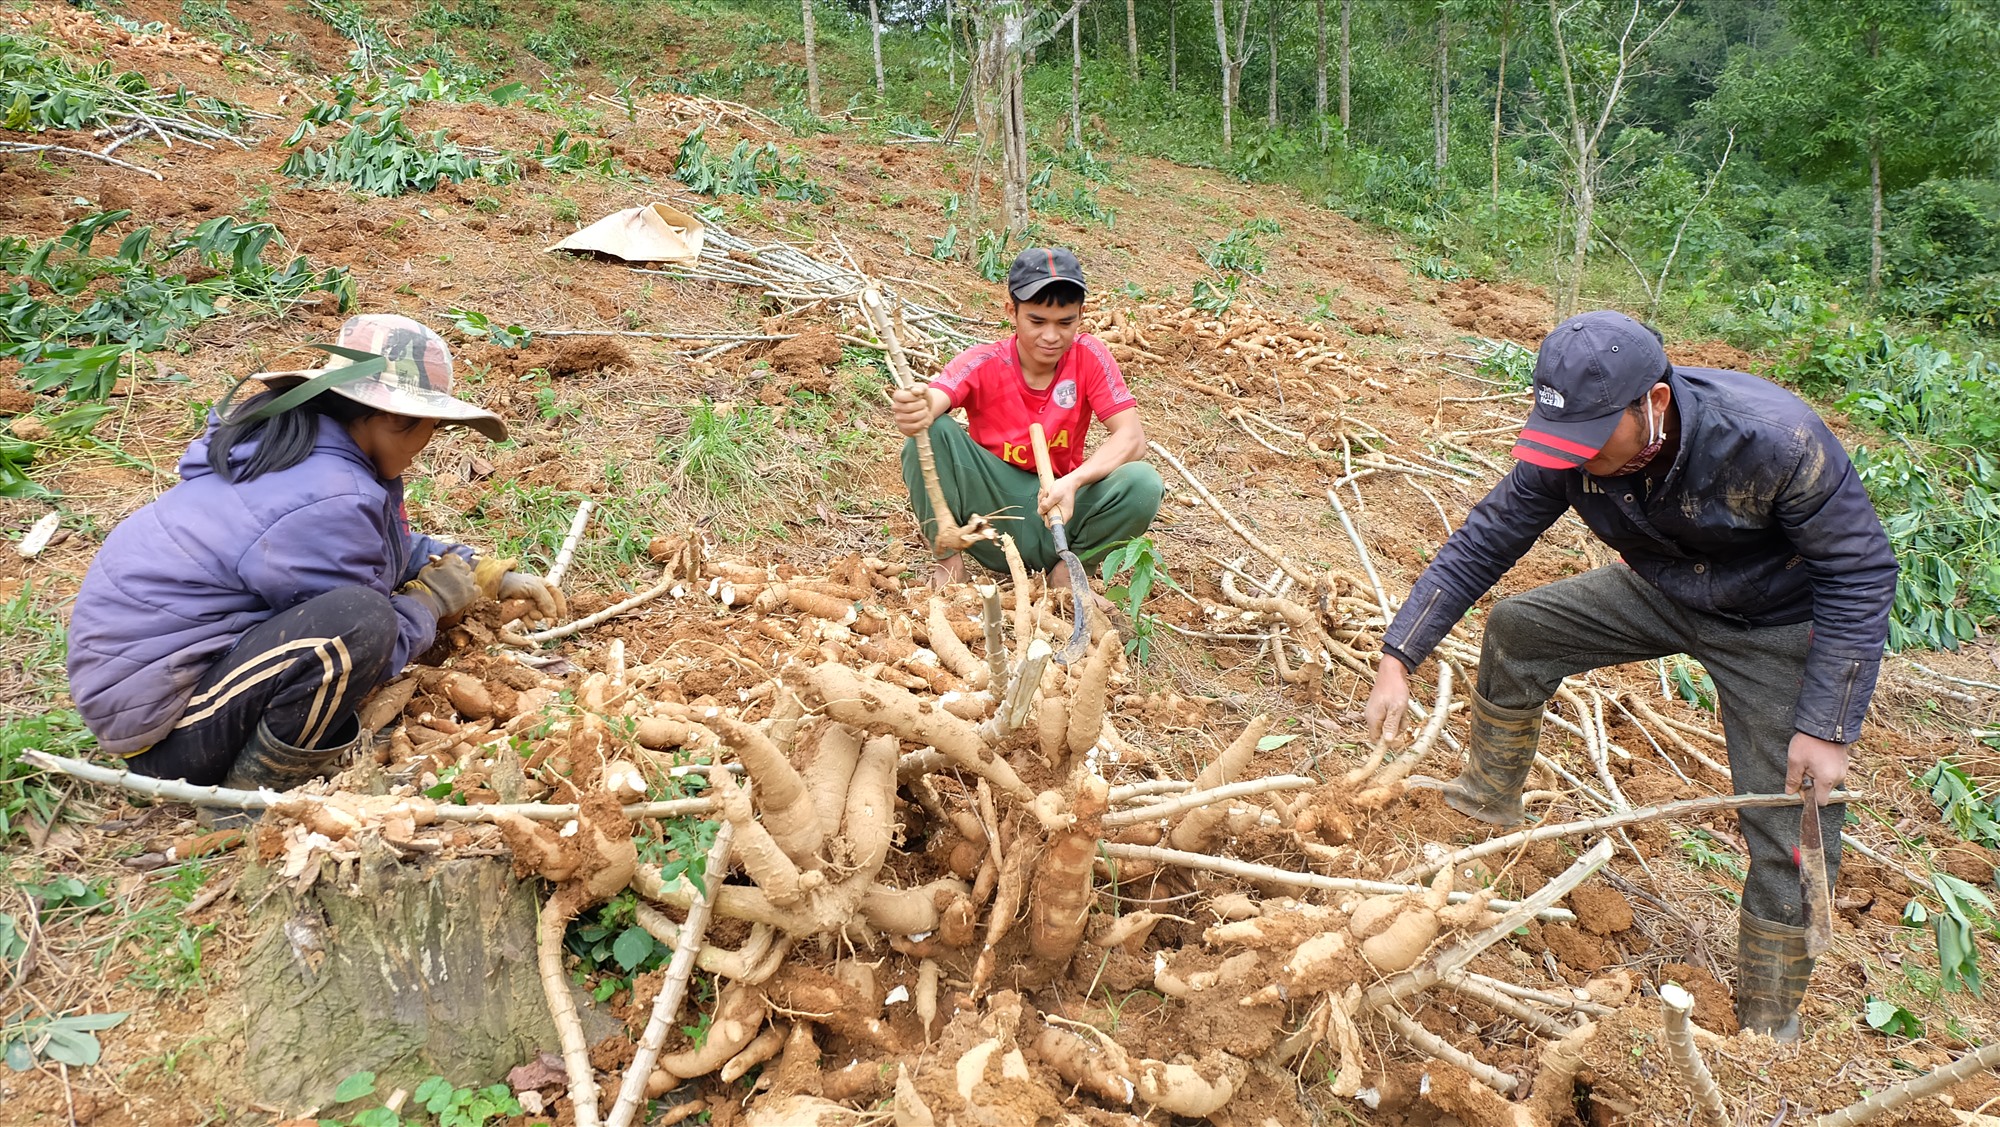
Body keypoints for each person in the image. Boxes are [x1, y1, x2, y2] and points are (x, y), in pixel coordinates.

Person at [1362, 309, 1896, 1040]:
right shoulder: (1568, 449)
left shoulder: (1776, 439)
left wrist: (1826, 726)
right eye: (1564, 441)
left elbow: (1860, 571)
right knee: (1521, 629)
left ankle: (1772, 1025)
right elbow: (1488, 535)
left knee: (1793, 813)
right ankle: (1485, 800)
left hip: (1776, 623)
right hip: (1665, 587)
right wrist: (1401, 655)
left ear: (1655, 405)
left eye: (1590, 439)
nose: (1575, 459)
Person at [67, 314, 564, 807]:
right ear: (391, 417)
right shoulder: (330, 495)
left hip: (158, 700)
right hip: (173, 738)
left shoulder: (309, 457)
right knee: (360, 622)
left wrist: (482, 573)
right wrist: (429, 605)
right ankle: (244, 797)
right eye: (432, 426)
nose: (428, 442)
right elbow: (363, 642)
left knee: (356, 616)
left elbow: (383, 549)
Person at [891, 247, 1163, 591]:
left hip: (1059, 512)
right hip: (990, 515)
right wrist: (917, 407)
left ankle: (1068, 572)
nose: (1051, 336)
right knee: (934, 431)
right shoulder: (985, 362)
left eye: (1065, 323)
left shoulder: (1090, 356)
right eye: (1037, 321)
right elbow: (936, 398)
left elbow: (1132, 438)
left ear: (1080, 316)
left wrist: (1073, 483)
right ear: (1012, 312)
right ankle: (948, 563)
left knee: (1142, 483)